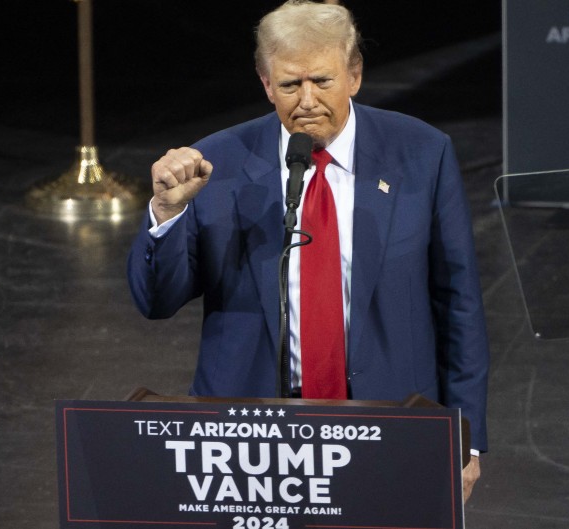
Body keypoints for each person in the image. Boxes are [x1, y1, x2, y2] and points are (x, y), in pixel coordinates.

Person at [128, 0, 489, 500]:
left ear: (355, 75)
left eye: (323, 81)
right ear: (265, 83)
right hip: (251, 435)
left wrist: (467, 438)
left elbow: (459, 303)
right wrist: (167, 214)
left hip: (390, 418)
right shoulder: (218, 164)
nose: (308, 100)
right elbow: (156, 301)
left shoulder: (422, 152)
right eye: (291, 84)